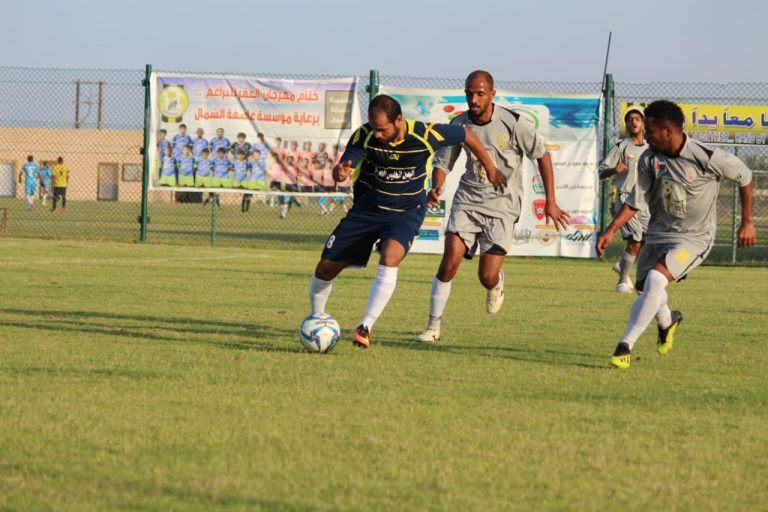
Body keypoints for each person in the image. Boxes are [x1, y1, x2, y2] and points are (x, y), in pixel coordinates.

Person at [307, 94, 500, 349]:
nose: (377, 135)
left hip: (405, 213)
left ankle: (365, 327)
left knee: (390, 257)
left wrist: (490, 168)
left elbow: (466, 134)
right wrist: (339, 172)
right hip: (366, 211)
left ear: (399, 120)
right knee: (325, 269)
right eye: (374, 129)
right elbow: (344, 167)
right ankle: (317, 318)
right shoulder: (364, 135)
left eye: (382, 129)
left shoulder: (426, 134)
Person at [596, 100, 756, 369]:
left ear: (668, 131)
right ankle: (668, 321)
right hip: (658, 234)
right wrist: (610, 230)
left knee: (656, 279)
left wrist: (747, 222)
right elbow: (636, 201)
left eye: (650, 130)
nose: (645, 135)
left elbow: (745, 175)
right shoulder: (649, 158)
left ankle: (625, 346)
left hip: (694, 238)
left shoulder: (705, 155)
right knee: (644, 288)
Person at [415, 70, 570, 343]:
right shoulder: (459, 124)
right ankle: (433, 327)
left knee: (486, 276)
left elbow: (542, 156)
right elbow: (443, 163)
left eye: (480, 94)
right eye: (469, 94)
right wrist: (436, 186)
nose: (473, 99)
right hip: (468, 201)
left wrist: (551, 202)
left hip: (503, 206)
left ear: (492, 94)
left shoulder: (513, 123)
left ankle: (496, 283)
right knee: (449, 262)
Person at [599, 107, 649, 293]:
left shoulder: (651, 148)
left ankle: (622, 265)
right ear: (627, 125)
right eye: (630, 119)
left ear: (643, 123)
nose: (634, 122)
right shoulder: (621, 147)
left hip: (646, 201)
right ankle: (621, 283)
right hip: (626, 198)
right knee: (635, 240)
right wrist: (613, 169)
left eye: (637, 119)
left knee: (647, 242)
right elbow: (601, 171)